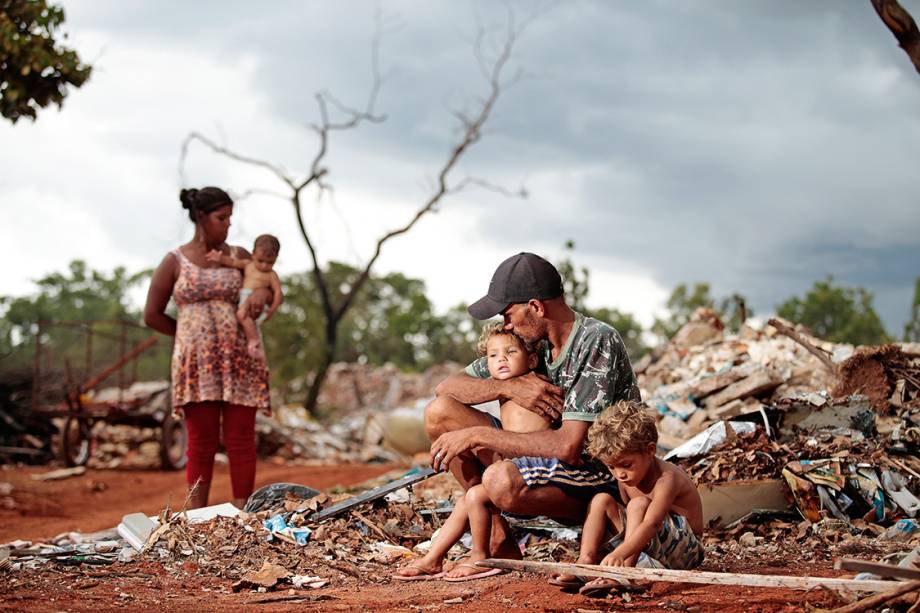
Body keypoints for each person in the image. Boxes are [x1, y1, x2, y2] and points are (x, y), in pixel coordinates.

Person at [425, 252, 640, 562]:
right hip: (541, 463)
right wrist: (506, 386)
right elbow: (446, 387)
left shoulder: (595, 341)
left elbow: (569, 446)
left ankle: (602, 527)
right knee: (439, 411)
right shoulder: (531, 341)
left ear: (537, 307)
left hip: (596, 475)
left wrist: (477, 436)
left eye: (508, 315)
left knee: (500, 481)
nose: (506, 326)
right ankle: (499, 536)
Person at [144, 186, 271, 510]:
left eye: (230, 217)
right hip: (196, 365)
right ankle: (195, 517)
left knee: (240, 439)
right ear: (201, 218)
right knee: (201, 442)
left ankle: (244, 514)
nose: (228, 224)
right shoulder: (174, 262)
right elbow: (152, 314)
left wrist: (261, 296)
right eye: (221, 217)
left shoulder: (240, 257)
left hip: (239, 360)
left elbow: (266, 284)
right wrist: (187, 336)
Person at [394, 323, 550, 581]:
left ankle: (479, 553)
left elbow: (535, 441)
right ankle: (434, 558)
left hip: (533, 467)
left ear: (532, 359)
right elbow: (445, 387)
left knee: (474, 496)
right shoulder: (505, 376)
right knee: (468, 498)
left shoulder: (537, 383)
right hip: (510, 458)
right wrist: (504, 389)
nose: (501, 359)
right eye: (493, 356)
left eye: (510, 352)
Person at [553, 400, 704, 597]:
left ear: (650, 450)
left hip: (686, 550)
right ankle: (586, 563)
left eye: (626, 465)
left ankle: (625, 573)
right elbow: (633, 523)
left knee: (638, 504)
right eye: (612, 467)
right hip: (652, 545)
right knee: (601, 500)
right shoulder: (625, 478)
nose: (620, 474)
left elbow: (651, 523)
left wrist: (620, 553)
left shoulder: (667, 478)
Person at [206, 233, 283, 360]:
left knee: (241, 315)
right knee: (243, 317)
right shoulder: (248, 265)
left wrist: (272, 309)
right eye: (260, 260)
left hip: (254, 301)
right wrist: (220, 258)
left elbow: (278, 293)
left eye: (270, 262)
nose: (264, 266)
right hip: (244, 297)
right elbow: (232, 262)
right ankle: (251, 339)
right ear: (253, 254)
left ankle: (253, 340)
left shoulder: (271, 275)